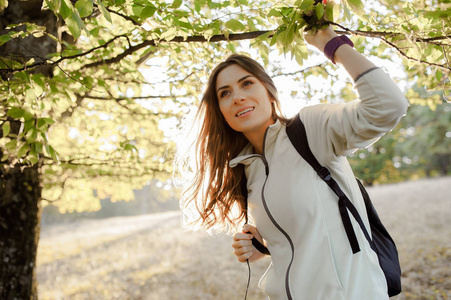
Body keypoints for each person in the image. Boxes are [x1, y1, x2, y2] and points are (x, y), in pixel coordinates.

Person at [177, 25, 408, 299]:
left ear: (269, 92)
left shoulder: (309, 129)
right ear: (221, 111)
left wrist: (331, 43)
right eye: (224, 93)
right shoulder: (247, 170)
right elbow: (303, 241)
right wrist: (261, 246)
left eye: (247, 83)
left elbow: (389, 106)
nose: (237, 96)